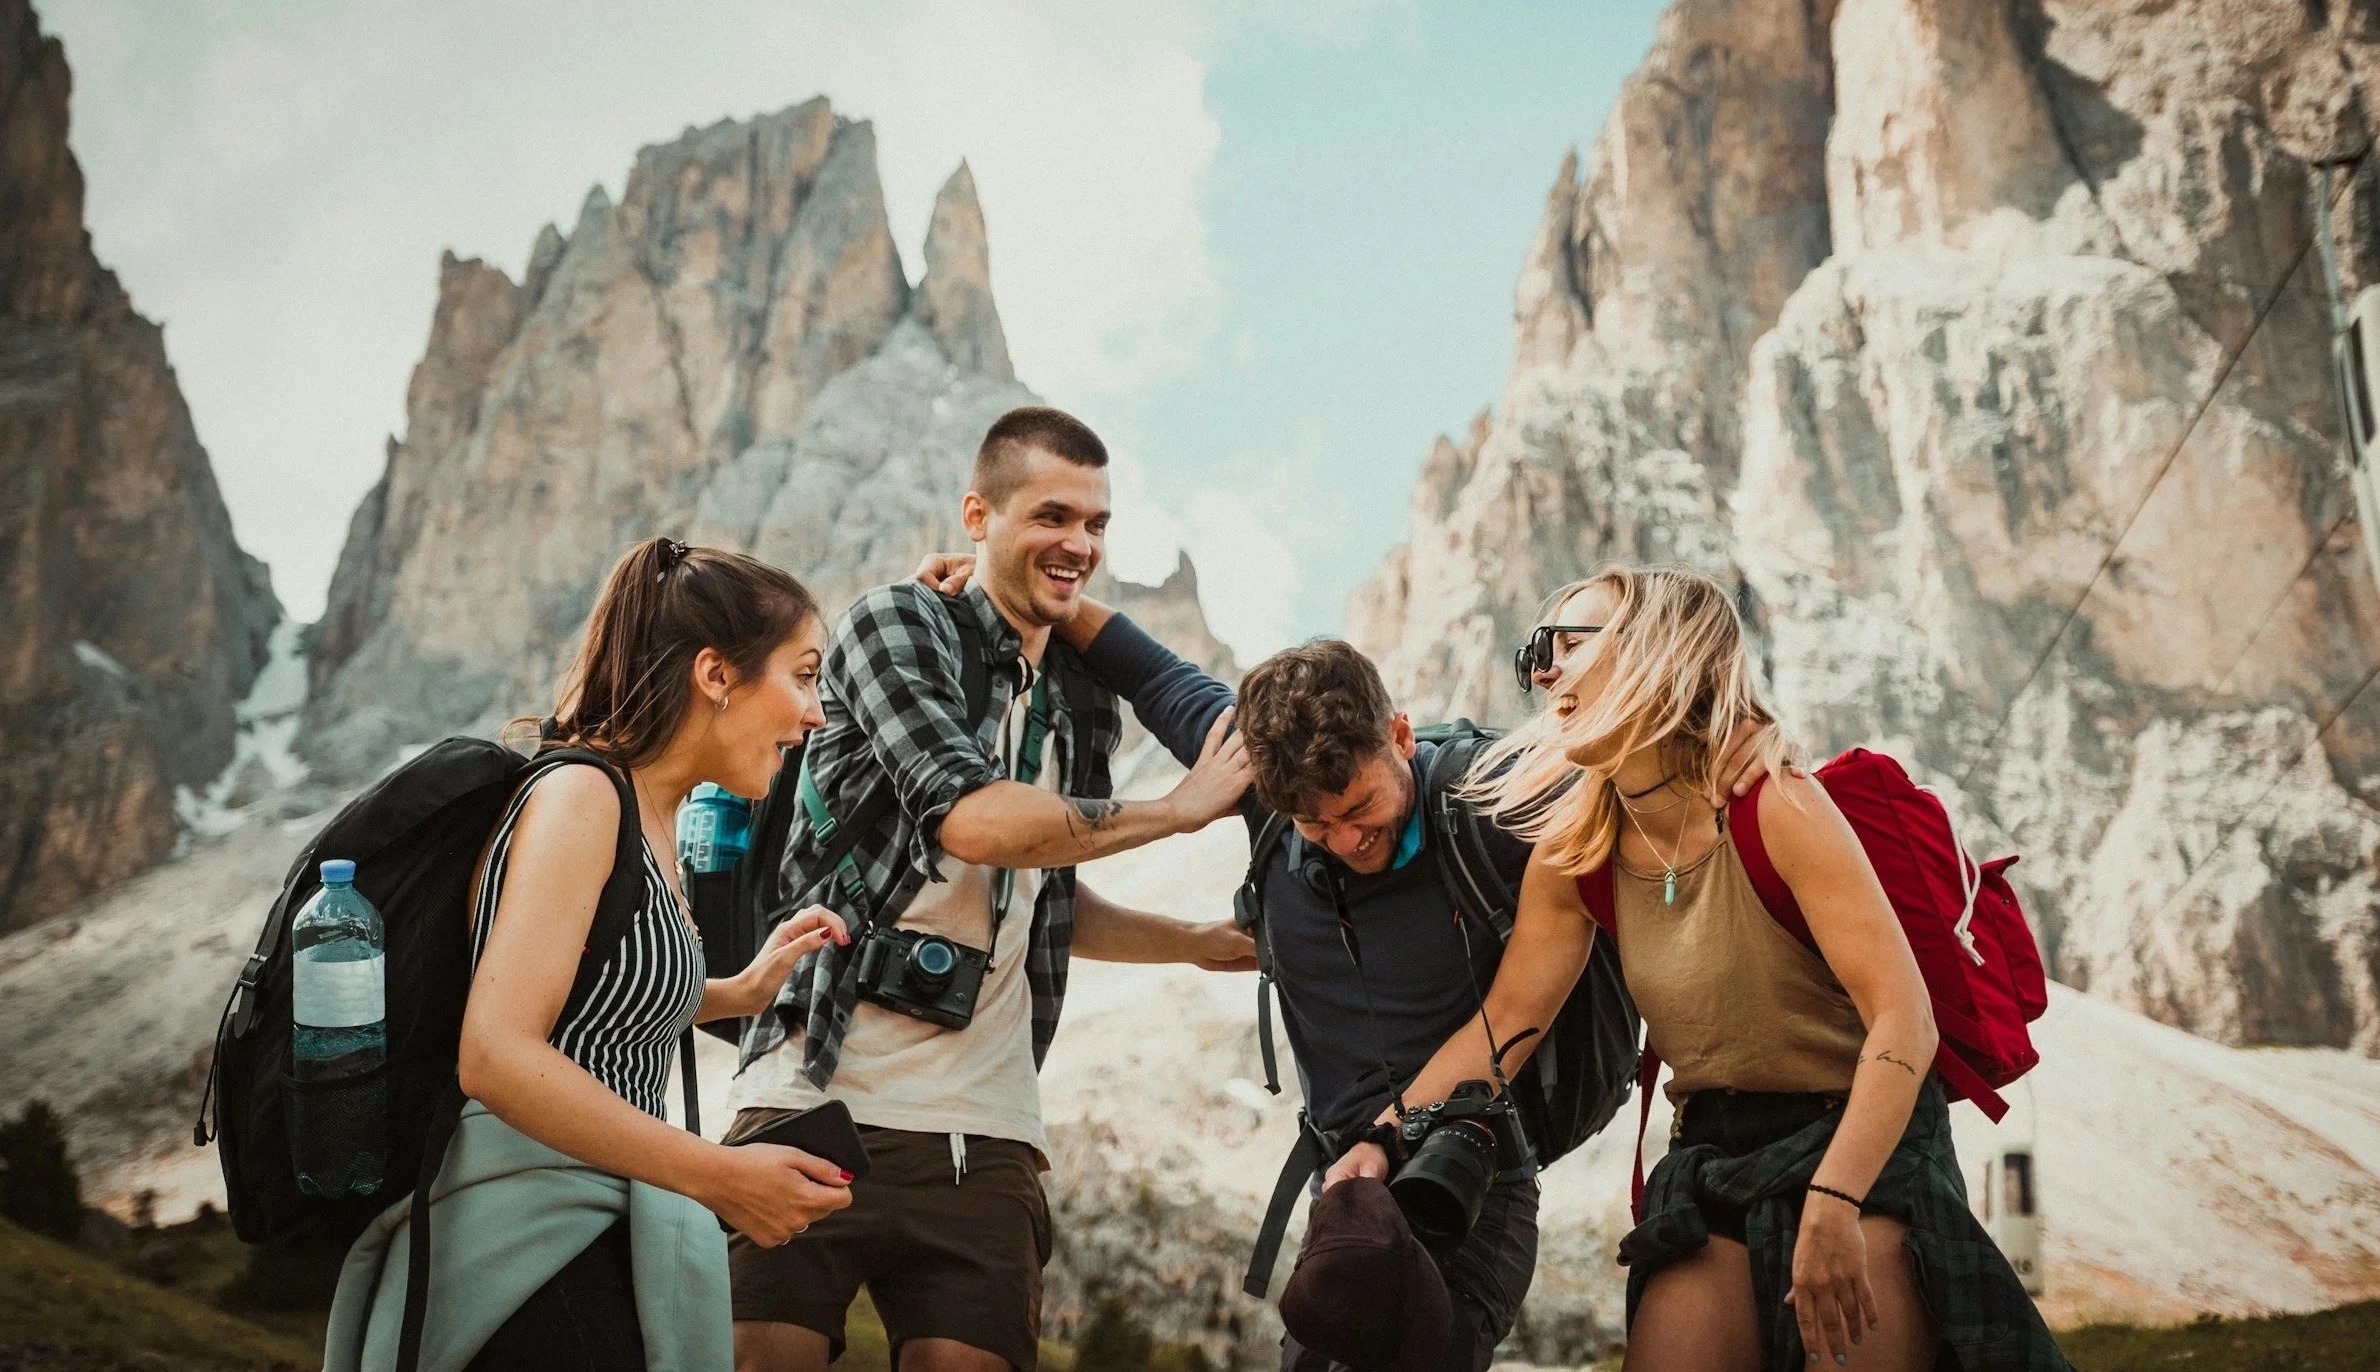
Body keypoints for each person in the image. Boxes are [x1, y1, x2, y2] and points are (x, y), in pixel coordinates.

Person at [903, 560, 1637, 1372]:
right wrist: (1012, 578)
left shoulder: (1494, 796)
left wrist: (1390, 1139)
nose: (1349, 841)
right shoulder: (1260, 788)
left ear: (1399, 734)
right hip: (1349, 1189)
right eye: (1314, 826)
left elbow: (1537, 976)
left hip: (1469, 1172)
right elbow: (1149, 670)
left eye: (1362, 808)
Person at [1335, 566, 2071, 1372]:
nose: (1542, 671)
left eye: (1565, 645)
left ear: (1660, 648)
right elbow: (1505, 1021)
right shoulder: (1576, 849)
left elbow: (1906, 1019)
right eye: (1534, 654)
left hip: (1860, 1136)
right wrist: (1382, 1134)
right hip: (1711, 1152)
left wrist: (1836, 1198)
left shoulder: (1776, 804)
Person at [729, 407, 1257, 1372]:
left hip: (989, 1128)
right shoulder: (896, 623)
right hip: (816, 1089)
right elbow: (969, 818)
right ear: (978, 513)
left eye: (1098, 524)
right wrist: (1176, 811)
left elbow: (1040, 896)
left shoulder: (1080, 693)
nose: (1081, 543)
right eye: (1053, 515)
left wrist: (1192, 939)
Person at [331, 537, 863, 1372]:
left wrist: (737, 990)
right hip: (525, 1250)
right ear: (716, 675)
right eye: (802, 674)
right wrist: (720, 1177)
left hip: (591, 1230)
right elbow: (497, 1054)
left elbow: (590, 999)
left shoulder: (651, 819)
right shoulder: (583, 796)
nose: (816, 712)